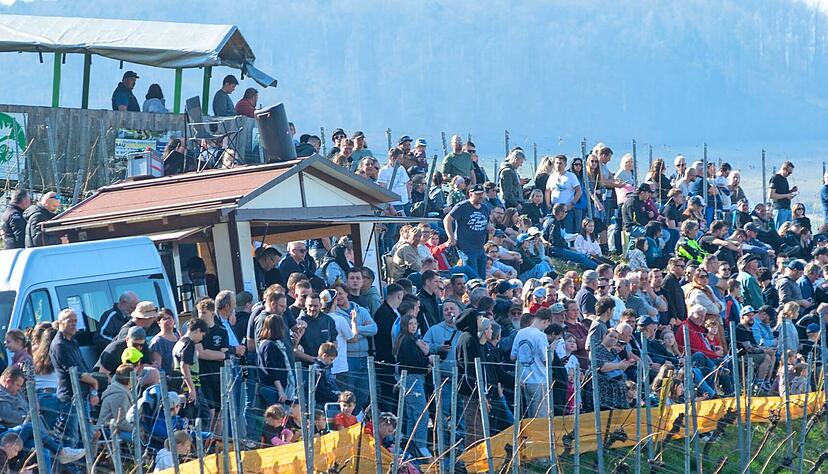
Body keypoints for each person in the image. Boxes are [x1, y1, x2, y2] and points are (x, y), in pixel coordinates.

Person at [49, 309, 99, 448]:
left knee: (87, 436)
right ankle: (72, 462)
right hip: (70, 397)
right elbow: (74, 372)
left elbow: (83, 367)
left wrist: (93, 390)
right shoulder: (59, 344)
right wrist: (94, 382)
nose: (73, 324)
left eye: (75, 321)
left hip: (83, 395)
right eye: (69, 321)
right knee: (72, 438)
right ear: (60, 323)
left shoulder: (73, 342)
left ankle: (86, 462)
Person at [511, 307, 552, 418]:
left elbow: (512, 356)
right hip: (539, 380)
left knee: (527, 415)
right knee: (540, 416)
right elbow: (546, 360)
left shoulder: (520, 333)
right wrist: (551, 350)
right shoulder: (541, 336)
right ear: (546, 321)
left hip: (523, 379)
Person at [444, 183, 490, 278]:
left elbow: (486, 223)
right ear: (470, 194)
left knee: (482, 276)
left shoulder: (485, 208)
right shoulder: (462, 206)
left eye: (482, 193)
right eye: (477, 194)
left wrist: (490, 229)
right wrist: (451, 237)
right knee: (473, 276)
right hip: (466, 248)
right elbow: (447, 220)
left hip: (480, 247)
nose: (480, 196)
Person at [171, 318, 210, 421]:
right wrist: (191, 389)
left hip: (180, 385)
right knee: (202, 417)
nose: (201, 339)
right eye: (202, 335)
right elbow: (184, 366)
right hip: (190, 386)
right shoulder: (189, 344)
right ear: (197, 330)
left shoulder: (179, 342)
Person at [257, 313, 296, 406]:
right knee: (277, 414)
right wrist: (280, 390)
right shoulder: (269, 346)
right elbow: (272, 370)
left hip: (271, 386)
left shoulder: (268, 344)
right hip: (272, 388)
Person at [593, 328, 634, 409]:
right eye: (611, 336)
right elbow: (602, 367)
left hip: (618, 390)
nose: (613, 339)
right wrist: (619, 365)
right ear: (604, 336)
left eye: (616, 338)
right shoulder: (598, 350)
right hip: (605, 390)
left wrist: (625, 365)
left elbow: (618, 369)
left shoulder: (613, 351)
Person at [545, 154, 582, 232]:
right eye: (557, 163)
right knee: (554, 230)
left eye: (560, 163)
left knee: (567, 231)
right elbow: (548, 191)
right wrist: (548, 203)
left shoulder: (571, 176)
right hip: (554, 209)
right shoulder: (552, 176)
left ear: (565, 164)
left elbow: (579, 191)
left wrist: (572, 203)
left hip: (566, 209)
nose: (558, 165)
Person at [149, 308, 179, 375]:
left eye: (169, 318)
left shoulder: (178, 336)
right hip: (167, 378)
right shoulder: (157, 341)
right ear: (159, 322)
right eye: (164, 319)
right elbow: (158, 367)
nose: (168, 321)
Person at [769, 161, 797, 228]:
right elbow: (771, 195)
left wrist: (791, 191)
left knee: (789, 229)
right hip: (780, 209)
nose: (789, 174)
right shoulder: (775, 178)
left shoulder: (784, 179)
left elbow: (783, 193)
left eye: (791, 173)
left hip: (787, 208)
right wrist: (786, 195)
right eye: (789, 172)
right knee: (781, 229)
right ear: (784, 169)